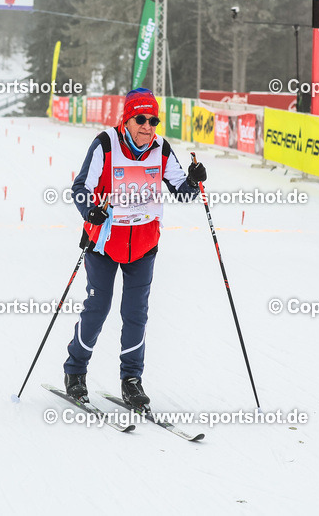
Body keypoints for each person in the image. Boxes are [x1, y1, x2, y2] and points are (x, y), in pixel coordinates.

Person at [63, 88, 206, 411]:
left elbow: (183, 192)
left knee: (136, 314)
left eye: (153, 120)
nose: (147, 126)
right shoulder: (105, 144)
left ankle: (131, 380)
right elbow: (81, 187)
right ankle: (75, 371)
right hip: (104, 242)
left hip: (143, 244)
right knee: (98, 308)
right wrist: (90, 211)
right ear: (127, 120)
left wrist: (194, 180)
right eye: (141, 119)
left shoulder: (161, 149)